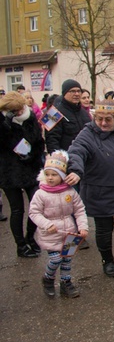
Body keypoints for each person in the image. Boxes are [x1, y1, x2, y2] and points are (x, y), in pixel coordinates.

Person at [66, 99, 114, 277]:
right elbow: (76, 152)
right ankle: (107, 261)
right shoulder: (87, 134)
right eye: (99, 118)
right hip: (100, 189)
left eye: (108, 119)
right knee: (104, 229)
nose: (102, 123)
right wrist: (76, 170)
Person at [29, 151, 89, 298]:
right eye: (47, 174)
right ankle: (48, 279)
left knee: (67, 259)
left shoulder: (70, 192)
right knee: (56, 259)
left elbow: (79, 210)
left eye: (54, 175)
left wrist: (82, 227)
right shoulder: (40, 194)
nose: (50, 178)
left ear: (62, 176)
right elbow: (34, 213)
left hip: (70, 233)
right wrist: (46, 224)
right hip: (51, 234)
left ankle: (65, 282)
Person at [0, 92, 46, 257]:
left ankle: (31, 237)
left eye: (20, 109)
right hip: (9, 171)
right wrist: (6, 124)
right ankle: (21, 245)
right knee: (17, 209)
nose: (19, 112)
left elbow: (39, 142)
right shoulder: (3, 121)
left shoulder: (30, 117)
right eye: (15, 110)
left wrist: (32, 157)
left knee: (36, 205)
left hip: (30, 168)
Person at [45, 79, 91, 154]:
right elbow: (51, 140)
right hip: (65, 158)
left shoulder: (84, 113)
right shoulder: (52, 113)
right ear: (64, 93)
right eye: (72, 91)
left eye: (79, 91)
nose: (76, 94)